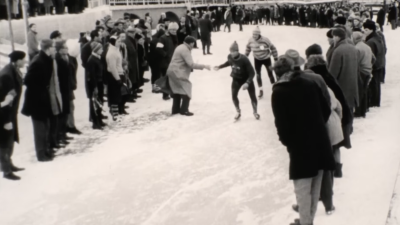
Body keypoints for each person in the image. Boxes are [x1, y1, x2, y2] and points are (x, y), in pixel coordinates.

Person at [271, 55, 335, 225]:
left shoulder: (279, 92)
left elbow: (281, 125)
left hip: (300, 148)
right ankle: (308, 221)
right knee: (314, 189)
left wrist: (288, 142)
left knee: (302, 190)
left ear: (278, 73)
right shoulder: (310, 84)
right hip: (320, 142)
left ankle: (306, 222)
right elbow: (326, 110)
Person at [22, 39, 57, 162]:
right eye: (53, 47)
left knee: (46, 125)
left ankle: (46, 150)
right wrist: (39, 91)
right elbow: (27, 80)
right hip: (36, 100)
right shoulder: (38, 61)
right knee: (39, 128)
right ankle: (41, 154)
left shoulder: (47, 60)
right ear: (48, 48)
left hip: (43, 97)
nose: (55, 49)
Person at [214, 41, 260, 121]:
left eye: (233, 52)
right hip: (236, 79)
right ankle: (238, 112)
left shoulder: (244, 59)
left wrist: (247, 83)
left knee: (252, 96)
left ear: (237, 51)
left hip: (246, 79)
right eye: (230, 51)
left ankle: (255, 112)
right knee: (234, 96)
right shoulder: (230, 56)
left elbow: (252, 72)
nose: (231, 53)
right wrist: (220, 67)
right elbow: (229, 62)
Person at [166, 36, 210, 116]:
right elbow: (191, 64)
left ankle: (175, 110)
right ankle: (184, 110)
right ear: (191, 43)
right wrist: (204, 66)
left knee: (177, 90)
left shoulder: (180, 46)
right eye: (193, 43)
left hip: (172, 71)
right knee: (187, 88)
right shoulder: (185, 49)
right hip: (178, 72)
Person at [0, 51, 26, 180]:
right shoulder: (7, 75)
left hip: (11, 112)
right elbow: (5, 101)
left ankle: (8, 164)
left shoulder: (13, 70)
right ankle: (6, 170)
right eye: (23, 59)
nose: (25, 62)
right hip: (5, 114)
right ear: (17, 61)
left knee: (10, 139)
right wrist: (6, 120)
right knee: (5, 142)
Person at [327, 27, 359, 112]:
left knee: (343, 113)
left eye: (333, 36)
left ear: (337, 37)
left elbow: (333, 73)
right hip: (352, 86)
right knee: (350, 111)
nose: (333, 39)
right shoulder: (353, 48)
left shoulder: (338, 50)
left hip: (341, 87)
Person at [245, 26, 278, 98]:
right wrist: (245, 56)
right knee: (258, 75)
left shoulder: (265, 40)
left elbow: (273, 48)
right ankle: (261, 90)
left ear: (259, 34)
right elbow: (248, 48)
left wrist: (275, 57)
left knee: (270, 73)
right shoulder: (250, 40)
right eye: (253, 34)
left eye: (256, 35)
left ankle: (274, 88)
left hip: (266, 58)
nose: (254, 36)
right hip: (257, 59)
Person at [363, 20, 385, 108]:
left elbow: (370, 56)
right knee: (377, 84)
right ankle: (376, 101)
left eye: (366, 30)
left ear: (371, 30)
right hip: (380, 64)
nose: (364, 31)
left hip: (375, 66)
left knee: (373, 84)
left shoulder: (370, 42)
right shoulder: (378, 38)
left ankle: (373, 102)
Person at [352, 31, 374, 118]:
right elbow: (374, 58)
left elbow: (355, 62)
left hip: (361, 71)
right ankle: (363, 110)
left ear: (355, 38)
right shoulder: (367, 47)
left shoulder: (357, 48)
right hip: (368, 71)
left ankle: (358, 111)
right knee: (364, 91)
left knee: (359, 92)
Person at [156, 22, 180, 101]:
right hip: (165, 62)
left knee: (173, 78)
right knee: (166, 78)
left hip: (173, 61)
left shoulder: (175, 37)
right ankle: (165, 94)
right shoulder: (163, 38)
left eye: (175, 30)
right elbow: (158, 49)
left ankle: (172, 92)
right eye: (172, 29)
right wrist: (166, 55)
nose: (174, 31)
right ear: (169, 30)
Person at [85, 42, 105, 130]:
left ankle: (99, 119)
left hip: (99, 83)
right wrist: (95, 87)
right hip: (94, 85)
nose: (102, 50)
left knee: (100, 102)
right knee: (94, 104)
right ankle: (95, 122)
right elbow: (91, 76)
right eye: (100, 49)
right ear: (96, 50)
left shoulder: (97, 58)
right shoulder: (91, 60)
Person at [106, 35, 124, 121]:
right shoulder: (111, 53)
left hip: (119, 73)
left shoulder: (116, 50)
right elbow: (112, 67)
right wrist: (118, 78)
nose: (120, 43)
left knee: (118, 95)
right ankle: (115, 114)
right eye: (118, 41)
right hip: (114, 76)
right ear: (113, 42)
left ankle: (117, 112)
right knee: (114, 96)